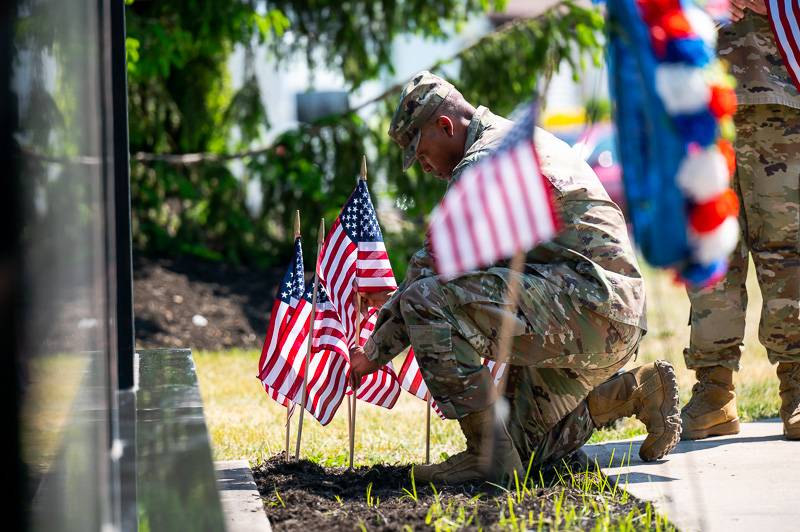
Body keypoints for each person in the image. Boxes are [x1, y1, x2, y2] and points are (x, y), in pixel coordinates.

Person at [349, 71, 682, 484]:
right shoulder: (511, 140)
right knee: (525, 453)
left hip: (587, 304)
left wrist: (371, 354)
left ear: (445, 126)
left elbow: (430, 273)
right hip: (602, 312)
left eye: (421, 154)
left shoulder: (483, 163)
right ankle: (635, 390)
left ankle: (484, 457)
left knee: (427, 301)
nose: (426, 167)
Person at [680, 3, 800, 441]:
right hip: (700, 96)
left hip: (780, 91)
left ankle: (796, 382)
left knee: (787, 249)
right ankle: (714, 389)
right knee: (712, 248)